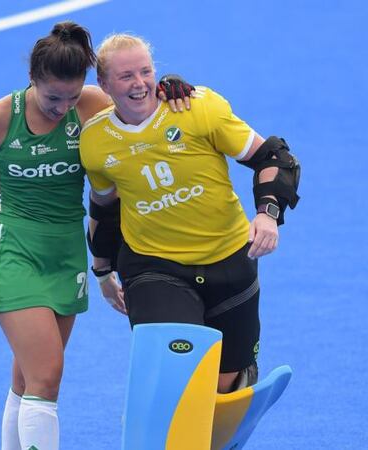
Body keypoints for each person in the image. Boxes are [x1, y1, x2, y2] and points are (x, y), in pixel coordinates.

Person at [0, 23, 193, 450]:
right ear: (32, 80)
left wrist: (168, 87)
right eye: (53, 97)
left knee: (27, 377)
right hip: (16, 253)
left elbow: (138, 101)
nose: (62, 108)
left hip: (67, 254)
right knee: (47, 374)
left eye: (72, 97)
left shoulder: (92, 104)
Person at [80, 33, 300, 394]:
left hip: (229, 258)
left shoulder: (198, 108)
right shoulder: (95, 141)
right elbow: (104, 211)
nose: (139, 84)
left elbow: (275, 158)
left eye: (145, 72)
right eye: (125, 76)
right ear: (103, 85)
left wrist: (267, 214)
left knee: (227, 385)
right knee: (179, 375)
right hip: (154, 266)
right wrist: (103, 273)